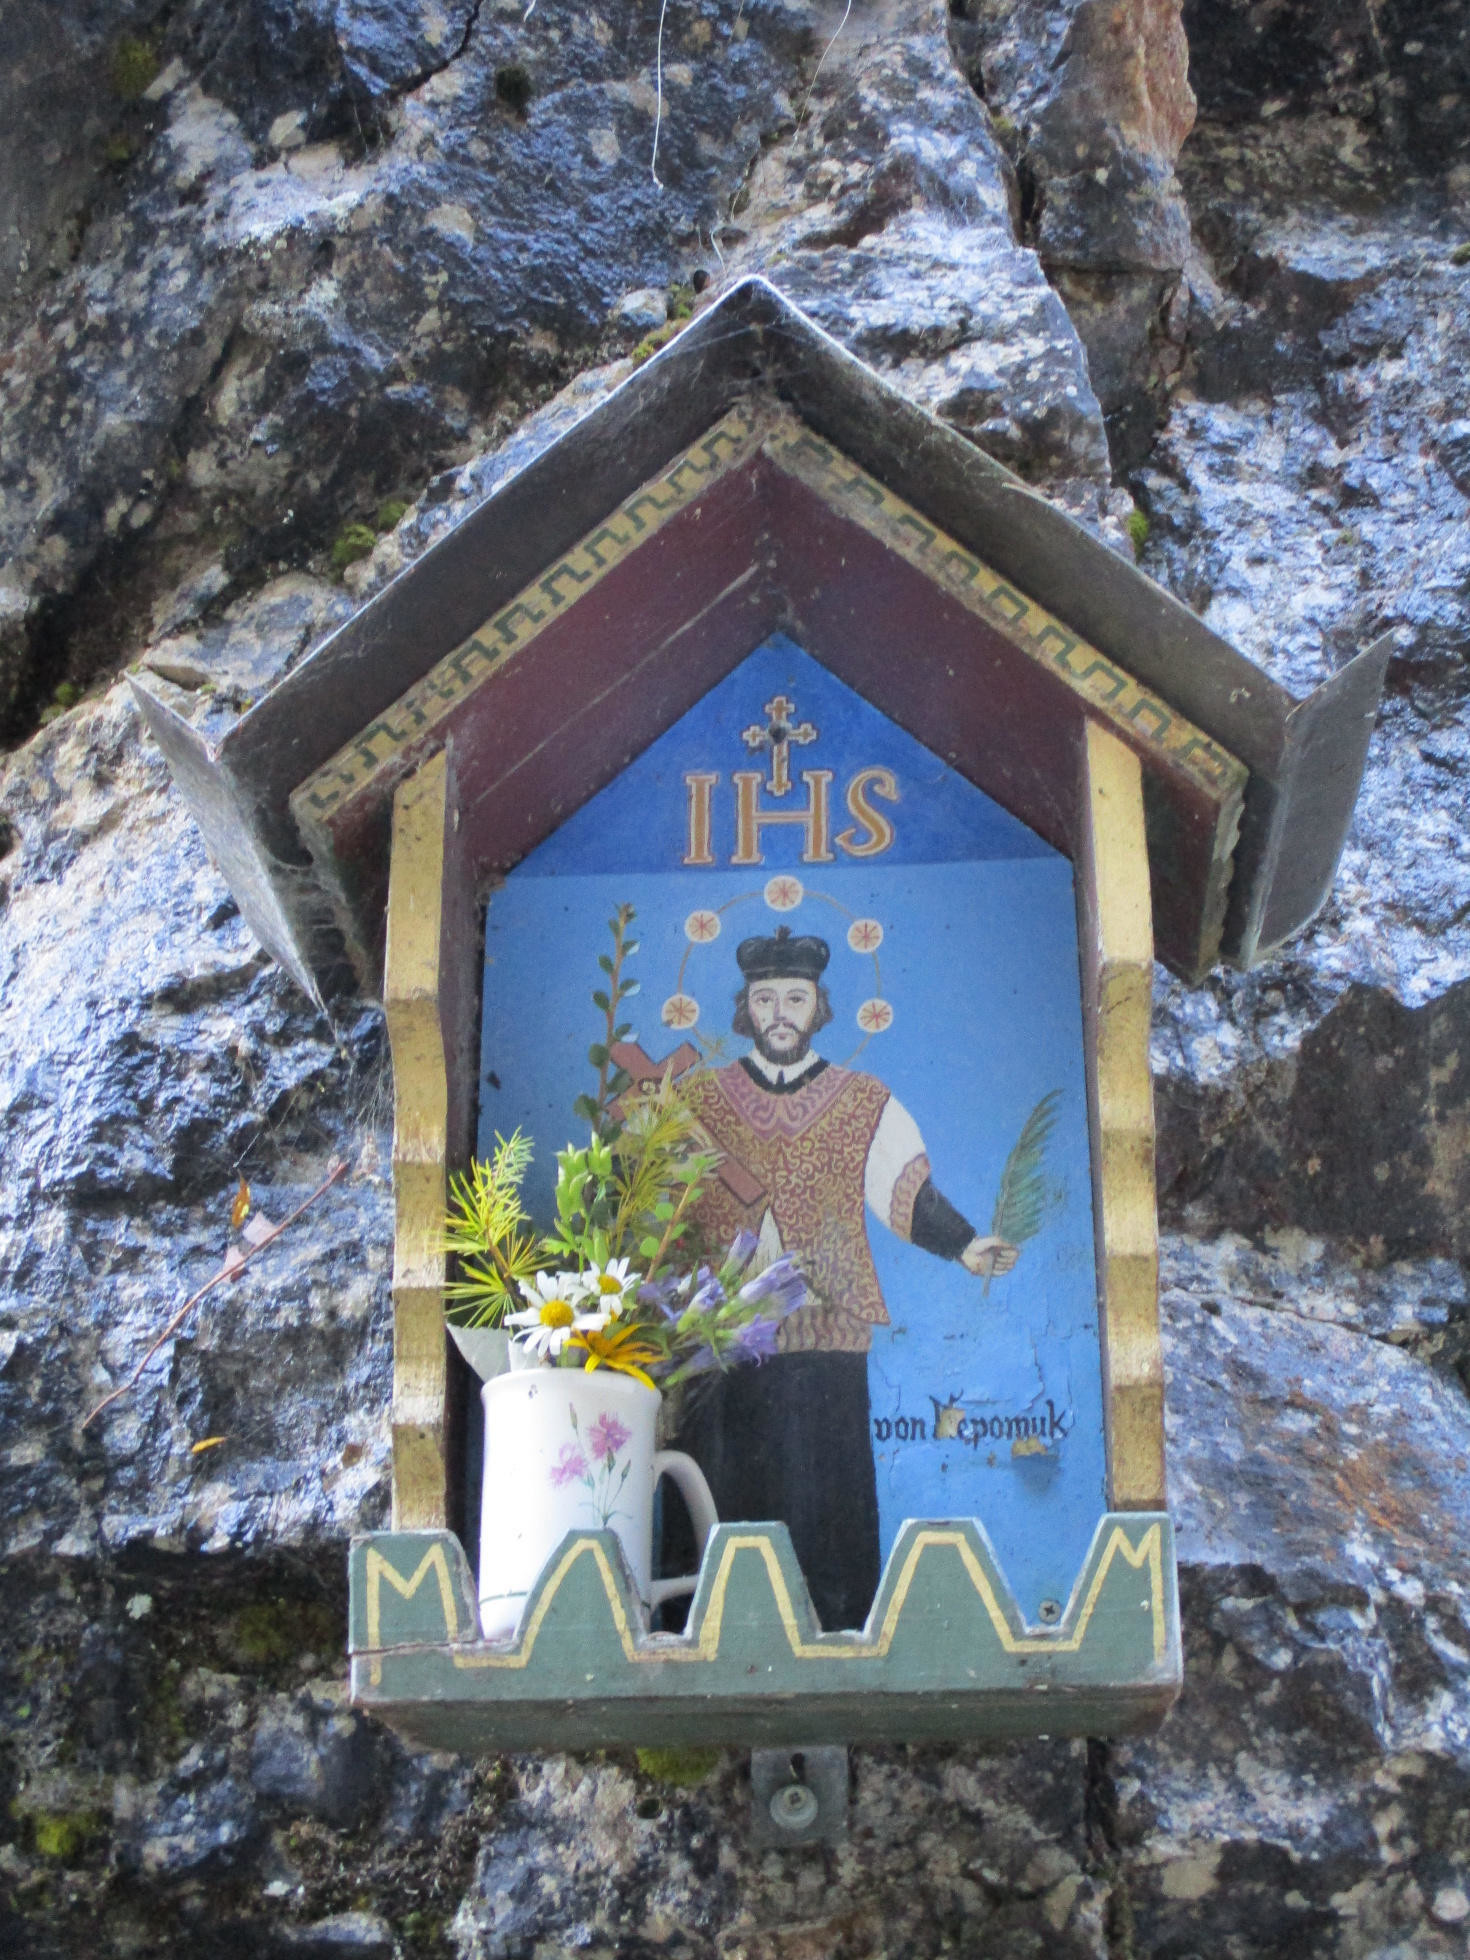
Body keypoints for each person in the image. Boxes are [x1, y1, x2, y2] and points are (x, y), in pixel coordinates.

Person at [672, 925, 1018, 1631]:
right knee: (715, 1497)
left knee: (824, 1499)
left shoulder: (860, 1100)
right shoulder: (698, 1098)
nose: (779, 1014)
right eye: (765, 999)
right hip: (720, 1336)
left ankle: (838, 1634)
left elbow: (905, 1190)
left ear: (819, 1007)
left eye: (794, 998)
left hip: (824, 1329)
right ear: (745, 1008)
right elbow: (658, 1192)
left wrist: (963, 1244)